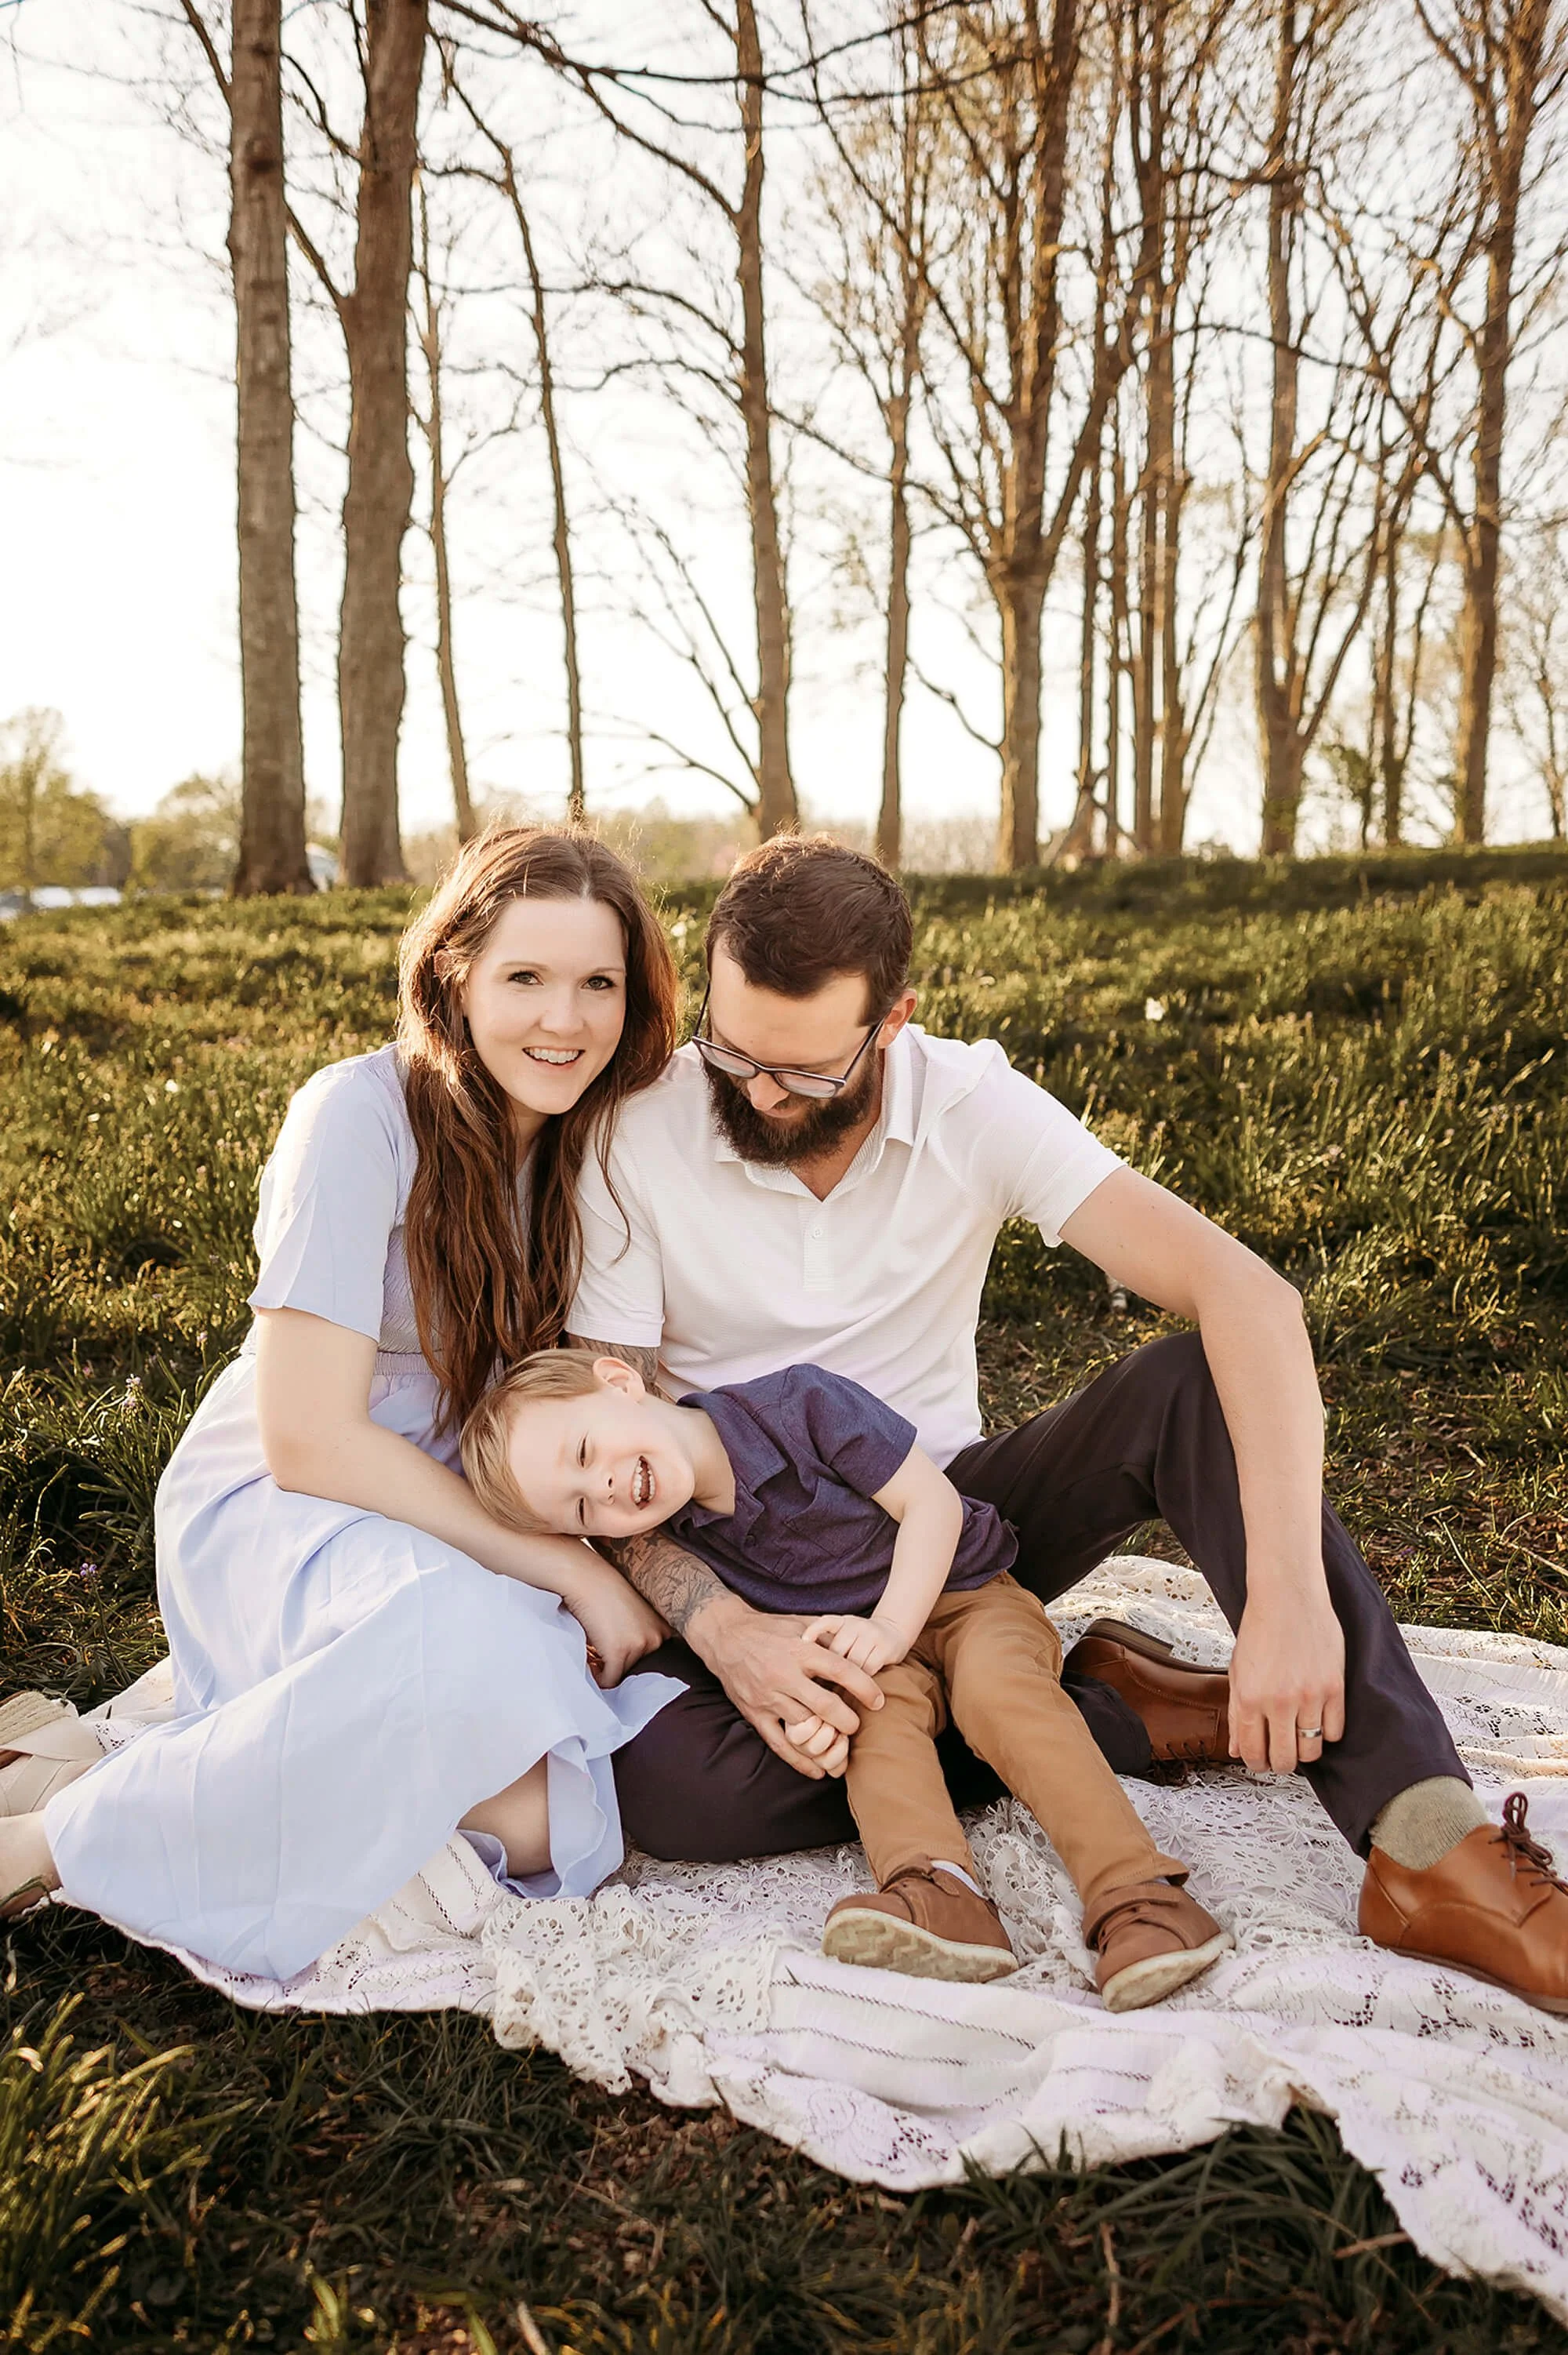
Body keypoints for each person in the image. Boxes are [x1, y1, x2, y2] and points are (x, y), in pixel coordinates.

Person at [569, 834, 1568, 2017]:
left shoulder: (969, 1101)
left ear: (892, 1023)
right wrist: (728, 1632)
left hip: (955, 1521)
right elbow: (612, 1439)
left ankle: (1427, 1841)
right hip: (755, 1555)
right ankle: (1100, 1710)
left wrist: (1290, 1591)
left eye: (805, 1072)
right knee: (665, 1788)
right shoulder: (636, 1132)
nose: (759, 1092)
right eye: (730, 1052)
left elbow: (1249, 1295)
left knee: (1186, 1385)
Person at [0, 829, 685, 1980]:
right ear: (454, 974)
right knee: (476, 1681)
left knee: (548, 1807)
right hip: (294, 1501)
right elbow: (307, 1436)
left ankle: (156, 1774)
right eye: (525, 976)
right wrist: (565, 1567)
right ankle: (56, 1843)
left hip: (471, 1510)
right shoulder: (357, 1114)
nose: (564, 1018)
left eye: (598, 982)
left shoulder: (596, 1138)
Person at [461, 1348, 1232, 2008]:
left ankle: (1136, 1893)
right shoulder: (675, 1538)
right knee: (869, 1729)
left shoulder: (798, 1405)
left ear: (618, 1381)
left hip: (961, 1599)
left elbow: (930, 1505)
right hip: (866, 1647)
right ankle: (940, 1894)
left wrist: (892, 1628)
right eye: (583, 1511)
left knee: (1001, 1697)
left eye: (586, 1452)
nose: (604, 1491)